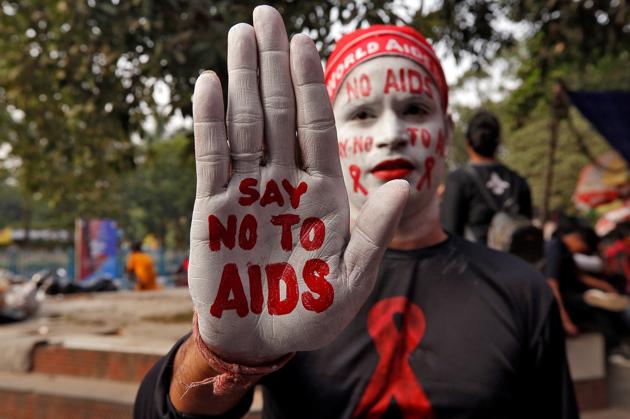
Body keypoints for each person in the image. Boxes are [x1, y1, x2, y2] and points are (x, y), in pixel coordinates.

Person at [134, 6, 577, 418]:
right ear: (325, 133)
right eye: (363, 113)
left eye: (416, 110)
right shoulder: (285, 277)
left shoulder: (523, 292)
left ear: (446, 133)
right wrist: (227, 355)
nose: (392, 134)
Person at [441, 111, 532, 244]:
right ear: (498, 142)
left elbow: (450, 235)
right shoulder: (519, 181)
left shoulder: (458, 180)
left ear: (468, 142)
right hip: (512, 263)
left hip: (474, 262)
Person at [545, 222, 630, 364]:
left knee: (599, 309)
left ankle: (614, 346)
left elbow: (580, 276)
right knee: (593, 306)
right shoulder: (554, 246)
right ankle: (614, 347)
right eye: (584, 249)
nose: (582, 252)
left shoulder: (565, 251)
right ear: (577, 238)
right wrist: (565, 321)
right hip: (560, 299)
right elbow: (552, 285)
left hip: (574, 294)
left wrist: (607, 288)